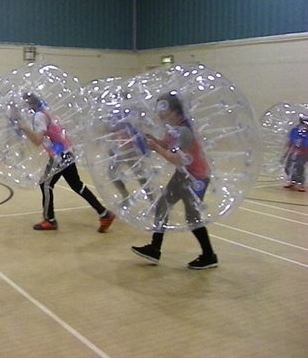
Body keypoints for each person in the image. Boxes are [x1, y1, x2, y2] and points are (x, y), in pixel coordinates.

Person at [131, 92, 218, 269]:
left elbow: (178, 158)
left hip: (195, 177)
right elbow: (168, 144)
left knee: (192, 217)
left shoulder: (184, 131)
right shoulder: (174, 128)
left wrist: (156, 148)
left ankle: (209, 255)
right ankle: (155, 249)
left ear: (175, 111)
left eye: (164, 110)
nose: (160, 114)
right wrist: (155, 140)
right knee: (163, 205)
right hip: (184, 174)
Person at [13, 92, 115, 232]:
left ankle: (49, 220)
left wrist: (24, 128)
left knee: (45, 184)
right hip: (66, 151)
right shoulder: (45, 111)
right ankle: (104, 213)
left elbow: (37, 140)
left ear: (30, 104)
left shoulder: (39, 116)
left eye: (25, 103)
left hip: (59, 155)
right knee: (76, 185)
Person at [281, 115, 308, 192]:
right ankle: (293, 180)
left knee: (299, 166)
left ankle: (301, 183)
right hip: (294, 152)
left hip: (304, 154)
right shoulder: (295, 131)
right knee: (288, 167)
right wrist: (284, 155)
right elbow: (289, 143)